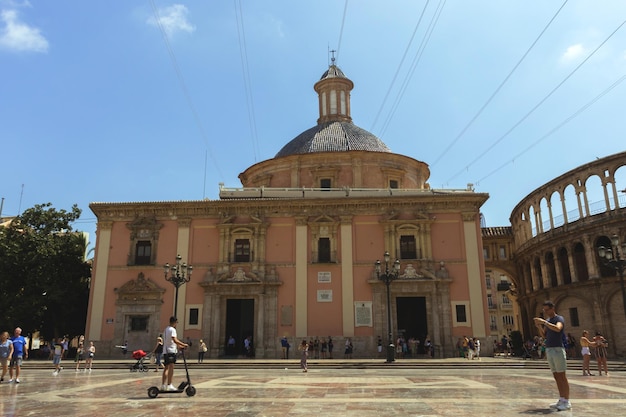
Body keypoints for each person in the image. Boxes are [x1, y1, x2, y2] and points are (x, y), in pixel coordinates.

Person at [534, 300, 571, 411]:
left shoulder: (558, 319)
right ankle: (562, 398)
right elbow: (544, 335)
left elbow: (558, 328)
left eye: (547, 310)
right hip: (549, 349)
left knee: (562, 376)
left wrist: (544, 323)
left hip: (557, 349)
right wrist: (539, 326)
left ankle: (567, 401)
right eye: (544, 310)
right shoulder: (549, 320)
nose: (545, 312)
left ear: (552, 309)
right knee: (556, 376)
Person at [161, 316, 188, 392]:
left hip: (166, 351)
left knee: (166, 368)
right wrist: (183, 344)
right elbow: (174, 339)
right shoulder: (172, 330)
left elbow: (170, 341)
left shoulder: (166, 329)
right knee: (171, 367)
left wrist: (179, 346)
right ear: (175, 322)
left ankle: (163, 385)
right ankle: (169, 385)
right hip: (171, 351)